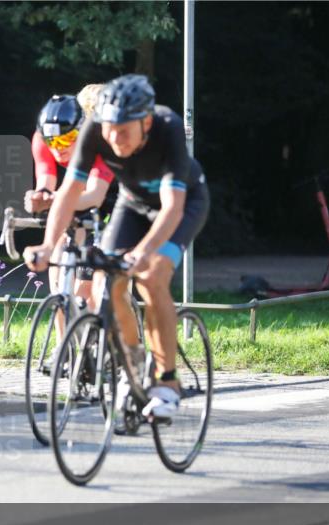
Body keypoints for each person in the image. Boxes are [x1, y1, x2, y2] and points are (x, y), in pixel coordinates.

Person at [23, 74, 209, 419]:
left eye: (125, 130)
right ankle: (131, 361)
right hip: (133, 204)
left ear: (146, 122)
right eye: (109, 129)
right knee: (108, 283)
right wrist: (48, 245)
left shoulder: (167, 129)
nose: (115, 138)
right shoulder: (95, 129)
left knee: (151, 278)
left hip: (181, 206)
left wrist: (141, 253)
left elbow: (171, 209)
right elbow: (68, 194)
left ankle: (166, 382)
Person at [26, 94, 116, 345]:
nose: (58, 147)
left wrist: (54, 199)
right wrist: (39, 196)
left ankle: (112, 345)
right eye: (51, 141)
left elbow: (95, 197)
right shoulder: (42, 140)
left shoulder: (97, 142)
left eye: (65, 140)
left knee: (87, 290)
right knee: (59, 285)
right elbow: (47, 182)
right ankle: (62, 346)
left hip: (109, 199)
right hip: (75, 198)